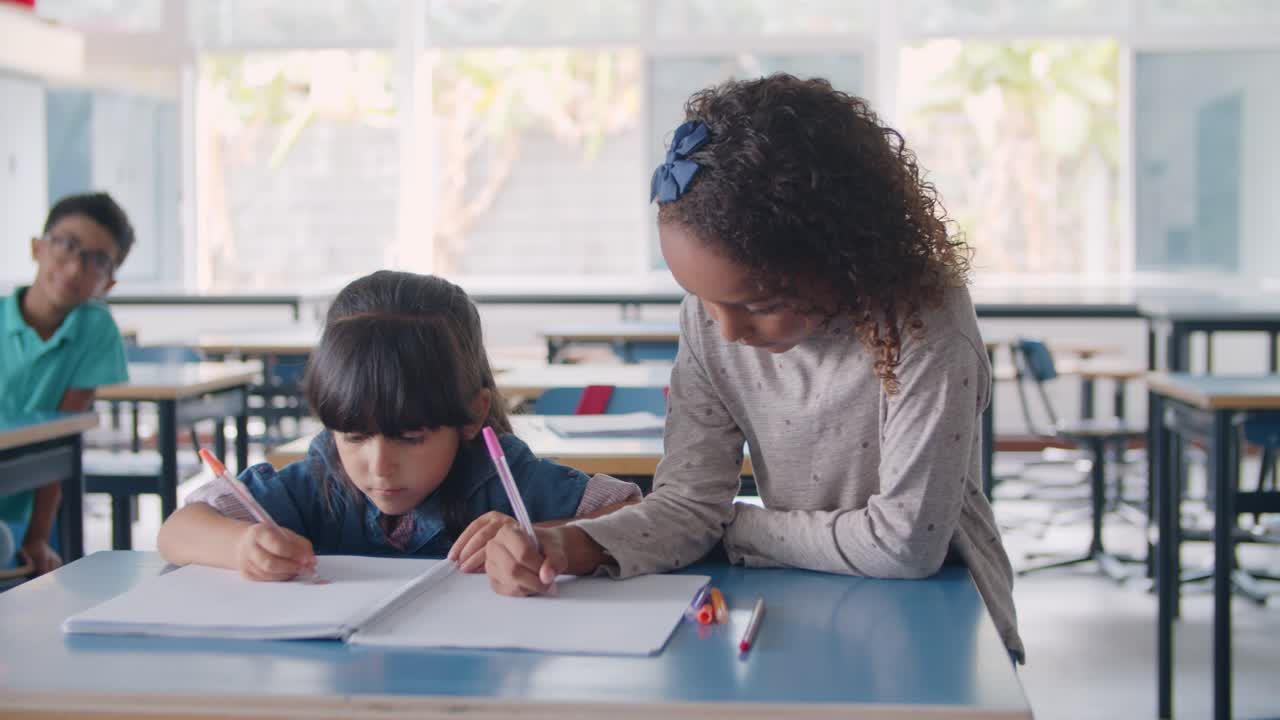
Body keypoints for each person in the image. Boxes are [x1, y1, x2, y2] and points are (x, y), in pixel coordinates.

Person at [483, 74, 1024, 662]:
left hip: (942, 615)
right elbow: (690, 505)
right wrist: (570, 545)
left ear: (844, 256)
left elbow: (905, 546)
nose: (728, 331)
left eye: (758, 305)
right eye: (701, 301)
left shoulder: (923, 321)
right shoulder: (713, 322)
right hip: (806, 596)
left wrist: (736, 527)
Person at [158, 271, 639, 581]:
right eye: (354, 435)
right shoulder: (319, 479)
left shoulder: (500, 478)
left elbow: (636, 514)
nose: (380, 467)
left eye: (410, 438)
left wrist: (541, 538)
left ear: (471, 415)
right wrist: (242, 546)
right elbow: (177, 532)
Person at [0, 192, 133, 575]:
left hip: (22, 510)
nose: (75, 268)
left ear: (108, 283)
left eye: (96, 260)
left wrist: (39, 536)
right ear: (37, 247)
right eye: (67, 246)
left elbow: (62, 437)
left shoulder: (95, 329)